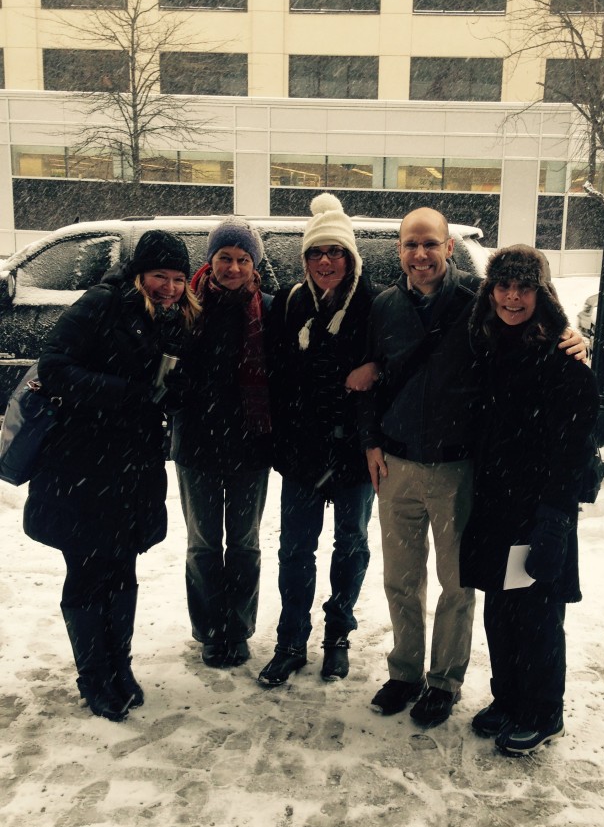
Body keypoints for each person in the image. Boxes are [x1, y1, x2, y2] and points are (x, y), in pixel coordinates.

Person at [359, 208, 587, 728]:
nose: (420, 254)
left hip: (457, 468)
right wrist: (370, 440)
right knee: (401, 579)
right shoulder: (385, 306)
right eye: (411, 244)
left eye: (430, 244)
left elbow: (534, 331)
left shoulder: (474, 301)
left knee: (457, 585)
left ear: (448, 247)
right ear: (399, 249)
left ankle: (444, 681)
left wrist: (572, 338)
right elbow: (372, 377)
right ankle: (405, 672)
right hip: (396, 464)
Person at [23, 230, 198, 722]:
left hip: (132, 466)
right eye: (160, 276)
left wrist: (174, 390)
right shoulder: (101, 302)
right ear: (139, 273)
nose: (170, 287)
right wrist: (127, 393)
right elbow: (54, 368)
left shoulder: (170, 317)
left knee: (122, 568)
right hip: (81, 463)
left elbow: (162, 383)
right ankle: (93, 676)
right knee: (86, 571)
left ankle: (119, 665)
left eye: (178, 279)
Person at [459, 245, 599, 756]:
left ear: (543, 294)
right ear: (490, 290)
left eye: (524, 287)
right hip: (495, 504)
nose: (512, 297)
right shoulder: (486, 342)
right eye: (503, 286)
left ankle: (543, 711)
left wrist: (554, 517)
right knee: (501, 609)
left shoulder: (563, 359)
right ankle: (508, 698)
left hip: (539, 509)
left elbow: (574, 447)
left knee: (536, 612)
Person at [259, 193, 378, 686]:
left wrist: (376, 368)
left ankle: (337, 635)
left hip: (354, 450)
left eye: (335, 252)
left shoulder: (375, 303)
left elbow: (403, 358)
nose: (325, 262)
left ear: (351, 258)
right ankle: (291, 640)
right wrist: (283, 441)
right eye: (316, 253)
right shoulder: (291, 303)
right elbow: (274, 374)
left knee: (351, 544)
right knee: (295, 549)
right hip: (303, 451)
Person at [171, 218, 272, 670]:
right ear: (210, 261)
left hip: (251, 445)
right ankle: (211, 631)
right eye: (225, 258)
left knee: (245, 543)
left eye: (243, 259)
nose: (233, 267)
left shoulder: (270, 310)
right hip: (196, 445)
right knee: (204, 543)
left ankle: (240, 628)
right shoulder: (185, 309)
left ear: (254, 265)